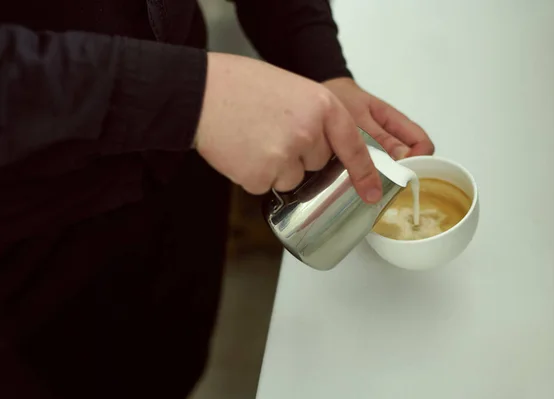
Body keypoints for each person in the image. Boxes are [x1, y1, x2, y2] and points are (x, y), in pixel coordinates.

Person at [0, 0, 434, 397]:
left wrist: (318, 63)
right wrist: (186, 95)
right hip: (28, 232)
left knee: (169, 370)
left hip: (184, 163)